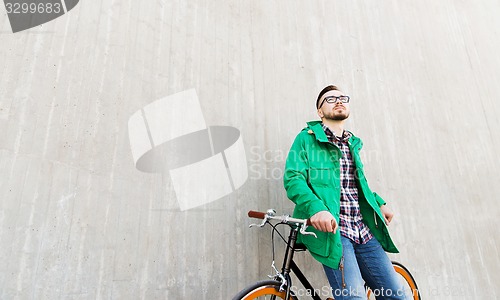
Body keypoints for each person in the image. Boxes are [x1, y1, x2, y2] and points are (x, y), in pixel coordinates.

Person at [283, 85, 407, 299]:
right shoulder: (306, 139)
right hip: (335, 232)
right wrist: (317, 209)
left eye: (342, 98)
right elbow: (294, 179)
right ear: (320, 112)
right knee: (353, 297)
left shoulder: (352, 143)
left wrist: (379, 202)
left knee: (397, 296)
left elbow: (358, 185)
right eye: (330, 99)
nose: (338, 101)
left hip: (364, 230)